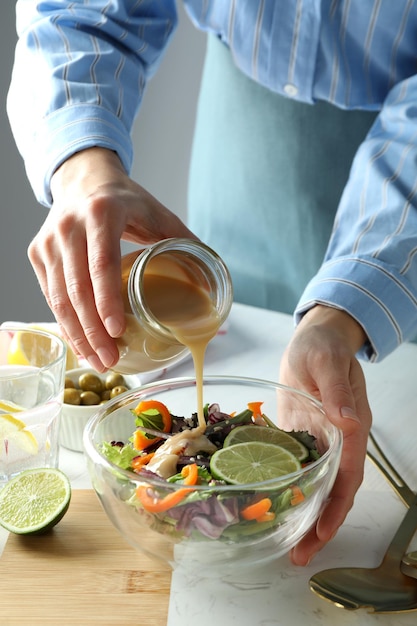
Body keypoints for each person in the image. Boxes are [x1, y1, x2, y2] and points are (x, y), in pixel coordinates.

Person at [7, 1, 417, 567]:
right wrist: (84, 168)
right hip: (246, 141)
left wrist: (342, 315)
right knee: (215, 299)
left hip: (407, 219)